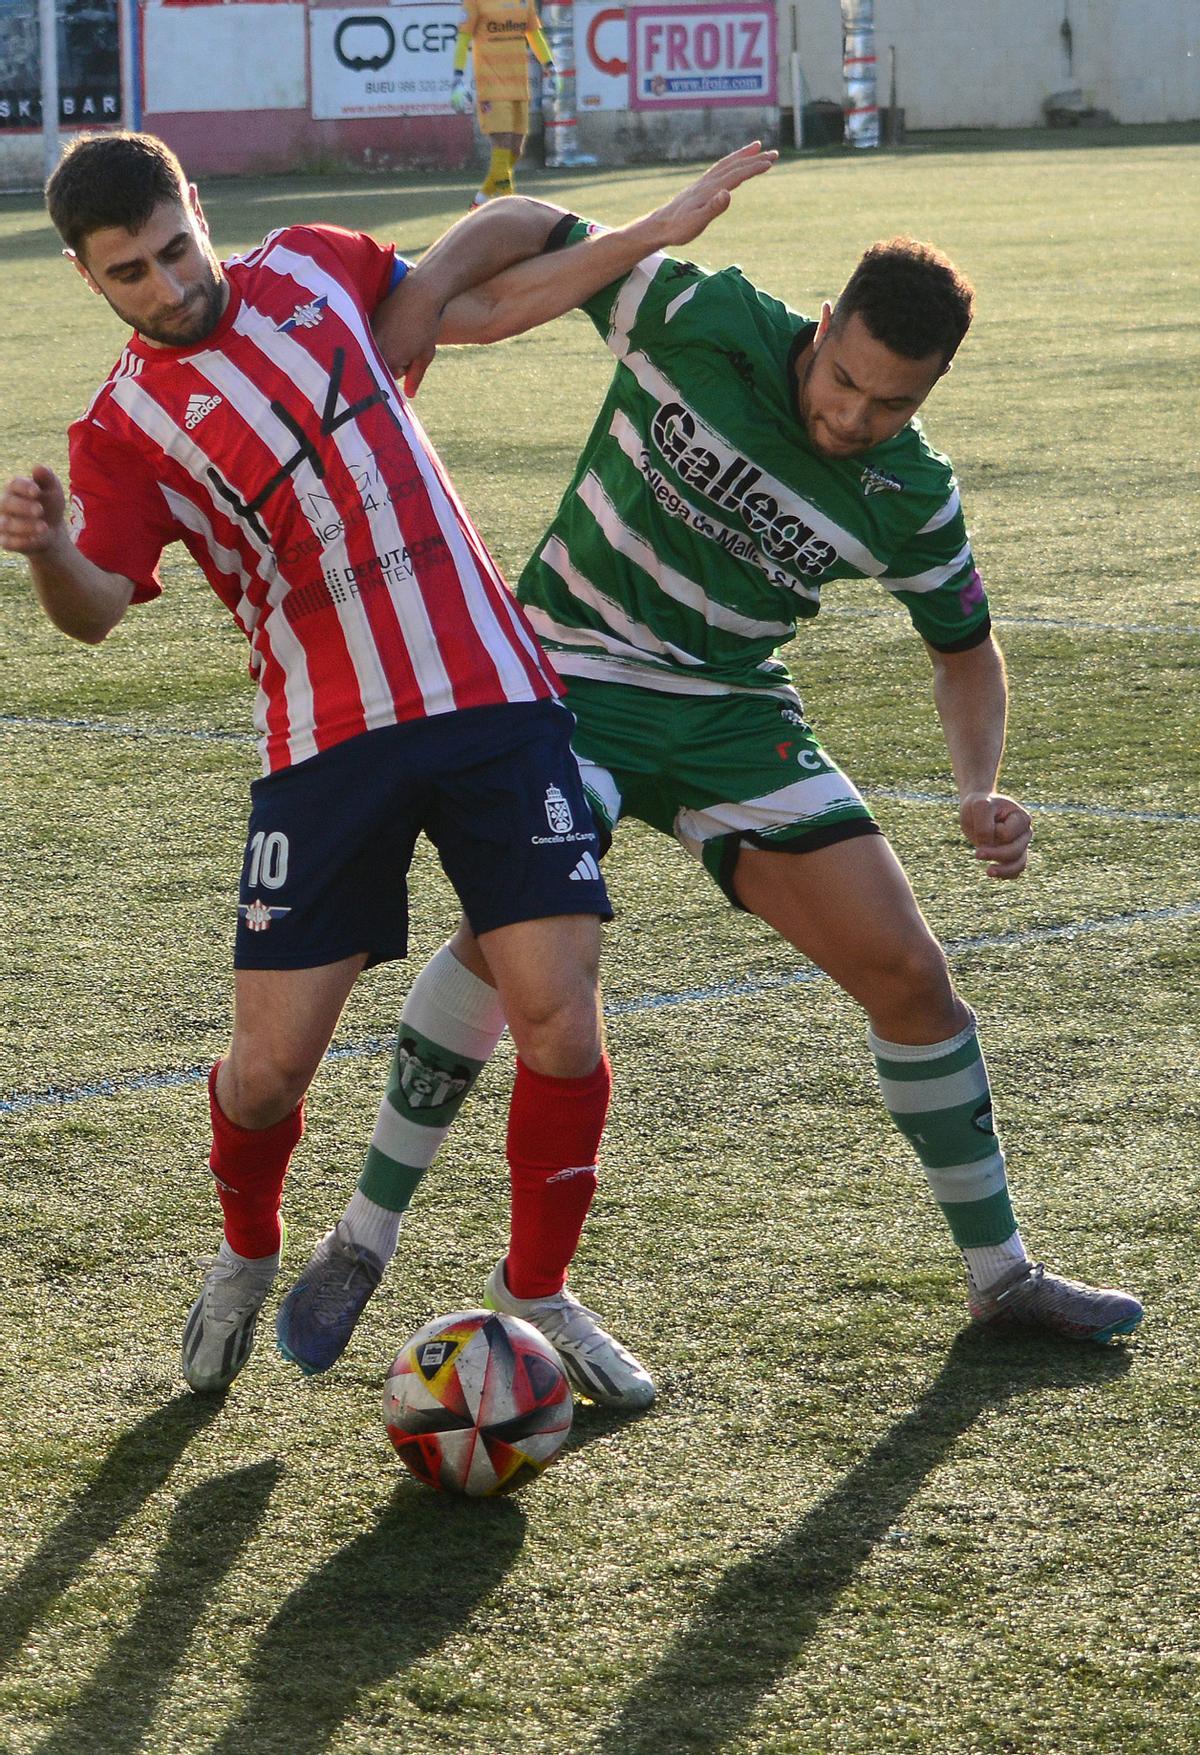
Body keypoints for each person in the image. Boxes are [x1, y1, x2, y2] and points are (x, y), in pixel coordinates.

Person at [0, 131, 776, 1406]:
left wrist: (648, 228)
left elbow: (482, 291)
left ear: (201, 209)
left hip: (493, 699)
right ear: (91, 279)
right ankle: (249, 1251)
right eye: (130, 272)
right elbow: (94, 609)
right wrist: (44, 553)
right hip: (326, 743)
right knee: (266, 1074)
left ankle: (537, 1287)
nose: (167, 283)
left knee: (562, 1020)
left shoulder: (316, 268)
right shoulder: (121, 432)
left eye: (176, 247)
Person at [356, 194, 1145, 1363]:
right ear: (821, 326)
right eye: (846, 381)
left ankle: (1002, 1276)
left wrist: (980, 784)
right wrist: (415, 303)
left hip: (729, 712)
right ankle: (365, 1237)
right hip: (565, 671)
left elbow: (965, 654)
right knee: (525, 942)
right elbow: (526, 219)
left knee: (912, 977)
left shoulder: (912, 493)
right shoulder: (702, 316)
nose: (857, 417)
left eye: (895, 403)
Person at [449, 0, 556, 208]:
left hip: (518, 84)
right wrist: (457, 78)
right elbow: (463, 39)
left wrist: (550, 66)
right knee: (502, 144)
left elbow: (533, 34)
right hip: (491, 85)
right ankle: (511, 206)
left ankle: (479, 202)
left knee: (514, 150)